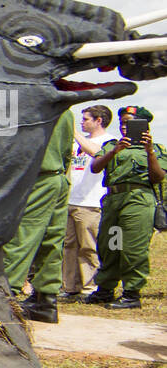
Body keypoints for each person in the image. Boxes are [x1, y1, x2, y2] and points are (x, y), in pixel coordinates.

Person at [83, 104, 165, 309]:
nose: (125, 127)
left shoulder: (156, 149)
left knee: (133, 248)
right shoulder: (111, 145)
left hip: (138, 200)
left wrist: (150, 153)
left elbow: (158, 177)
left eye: (130, 123)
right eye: (122, 124)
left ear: (144, 126)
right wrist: (115, 151)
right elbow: (95, 167)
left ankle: (131, 293)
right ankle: (105, 289)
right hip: (113, 200)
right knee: (110, 245)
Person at [2, 109, 75, 322]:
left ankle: (5, 298)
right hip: (57, 177)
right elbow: (67, 152)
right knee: (51, 241)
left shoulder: (25, 104)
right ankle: (46, 300)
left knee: (21, 238)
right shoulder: (66, 109)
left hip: (36, 177)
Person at [60, 106, 115, 300]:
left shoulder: (108, 141)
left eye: (86, 119)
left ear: (99, 120)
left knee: (88, 247)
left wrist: (74, 132)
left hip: (90, 202)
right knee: (69, 246)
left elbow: (95, 153)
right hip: (71, 199)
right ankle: (70, 286)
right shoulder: (77, 143)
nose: (82, 122)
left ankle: (89, 286)